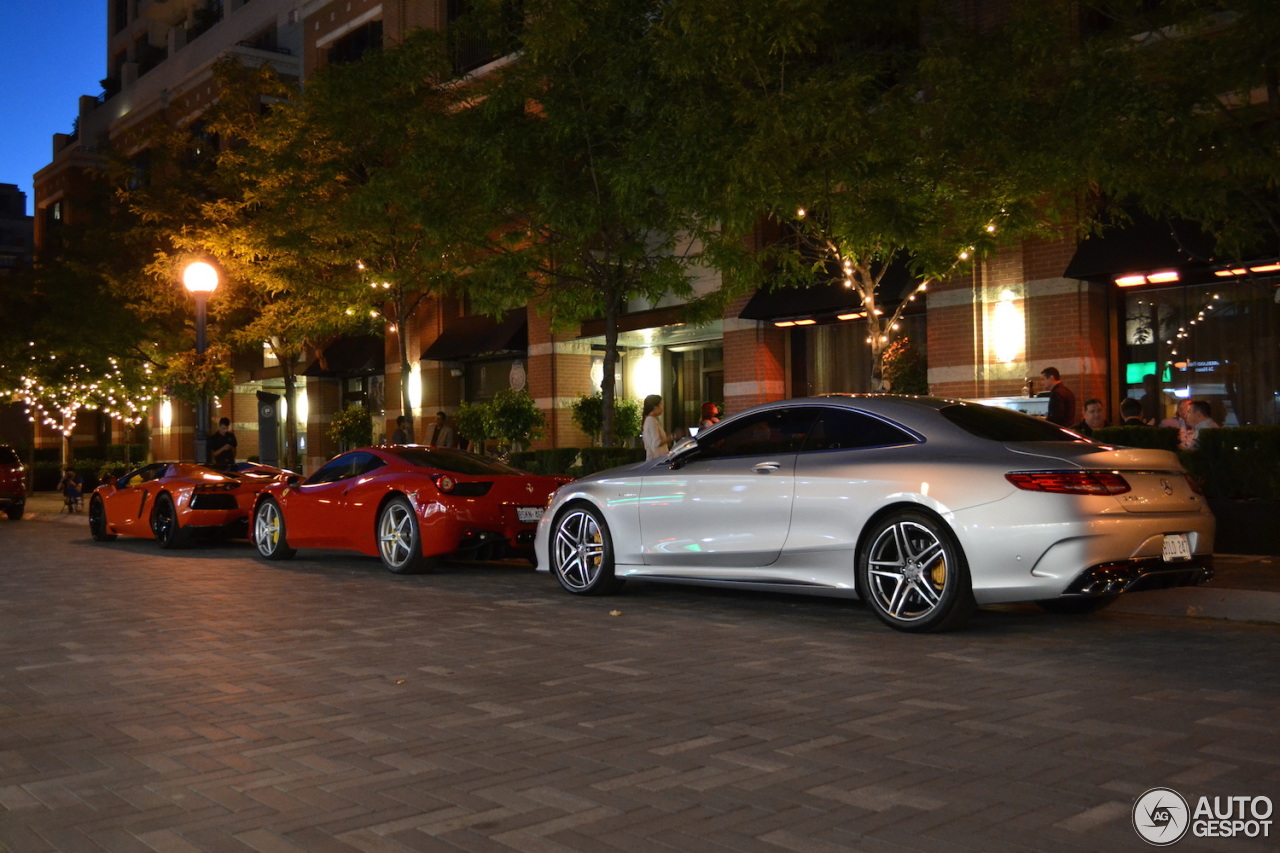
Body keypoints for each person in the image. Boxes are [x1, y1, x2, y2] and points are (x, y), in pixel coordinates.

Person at [642, 394, 670, 460]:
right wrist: (672, 437)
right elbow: (656, 443)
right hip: (657, 460)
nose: (662, 407)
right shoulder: (651, 421)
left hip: (657, 459)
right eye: (661, 404)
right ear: (655, 407)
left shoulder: (651, 420)